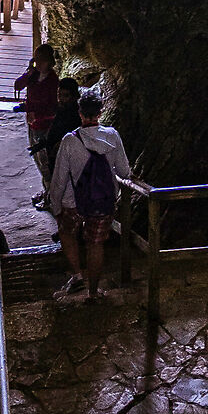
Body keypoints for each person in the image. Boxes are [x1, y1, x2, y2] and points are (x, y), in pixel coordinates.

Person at [49, 91, 131, 301]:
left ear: (80, 113)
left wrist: (55, 206)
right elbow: (124, 172)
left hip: (72, 202)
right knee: (96, 244)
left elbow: (59, 179)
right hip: (102, 202)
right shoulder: (112, 136)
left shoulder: (69, 140)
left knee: (67, 232)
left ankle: (77, 275)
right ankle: (93, 293)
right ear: (100, 112)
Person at [32, 76, 83, 210]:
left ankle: (52, 203)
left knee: (60, 181)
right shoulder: (62, 109)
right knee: (52, 176)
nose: (60, 98)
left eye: (65, 95)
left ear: (74, 96)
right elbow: (55, 128)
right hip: (54, 151)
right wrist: (43, 143)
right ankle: (49, 196)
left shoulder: (76, 114)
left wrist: (59, 145)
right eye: (59, 94)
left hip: (63, 155)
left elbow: (75, 135)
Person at [13, 40, 60, 181]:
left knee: (46, 161)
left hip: (45, 126)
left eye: (42, 60)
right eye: (36, 59)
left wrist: (35, 114)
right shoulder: (33, 75)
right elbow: (17, 86)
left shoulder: (53, 81)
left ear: (49, 62)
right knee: (37, 159)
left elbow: (52, 108)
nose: (38, 63)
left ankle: (50, 192)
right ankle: (47, 190)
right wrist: (28, 73)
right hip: (33, 124)